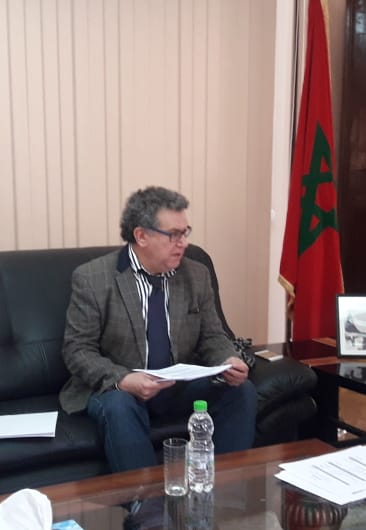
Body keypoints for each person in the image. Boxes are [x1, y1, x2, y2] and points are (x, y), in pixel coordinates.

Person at [60, 186, 257, 474]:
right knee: (118, 406)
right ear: (141, 236)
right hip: (121, 389)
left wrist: (228, 359)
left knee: (241, 391)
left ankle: (225, 490)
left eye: (185, 233)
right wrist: (123, 379)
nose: (183, 243)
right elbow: (77, 350)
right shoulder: (93, 278)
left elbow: (212, 335)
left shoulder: (196, 274)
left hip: (175, 385)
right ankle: (146, 501)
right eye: (173, 235)